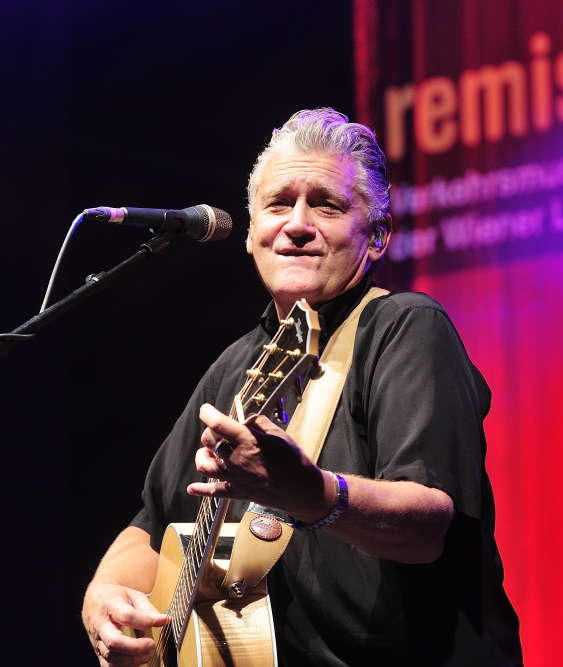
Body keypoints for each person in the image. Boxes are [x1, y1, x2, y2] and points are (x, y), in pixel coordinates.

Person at [82, 108, 524, 667]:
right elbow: (147, 531)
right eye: (278, 204)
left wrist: (311, 494)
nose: (296, 223)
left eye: (326, 204)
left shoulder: (405, 328)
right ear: (250, 236)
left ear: (378, 236)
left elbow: (427, 525)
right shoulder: (233, 367)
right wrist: (102, 600)